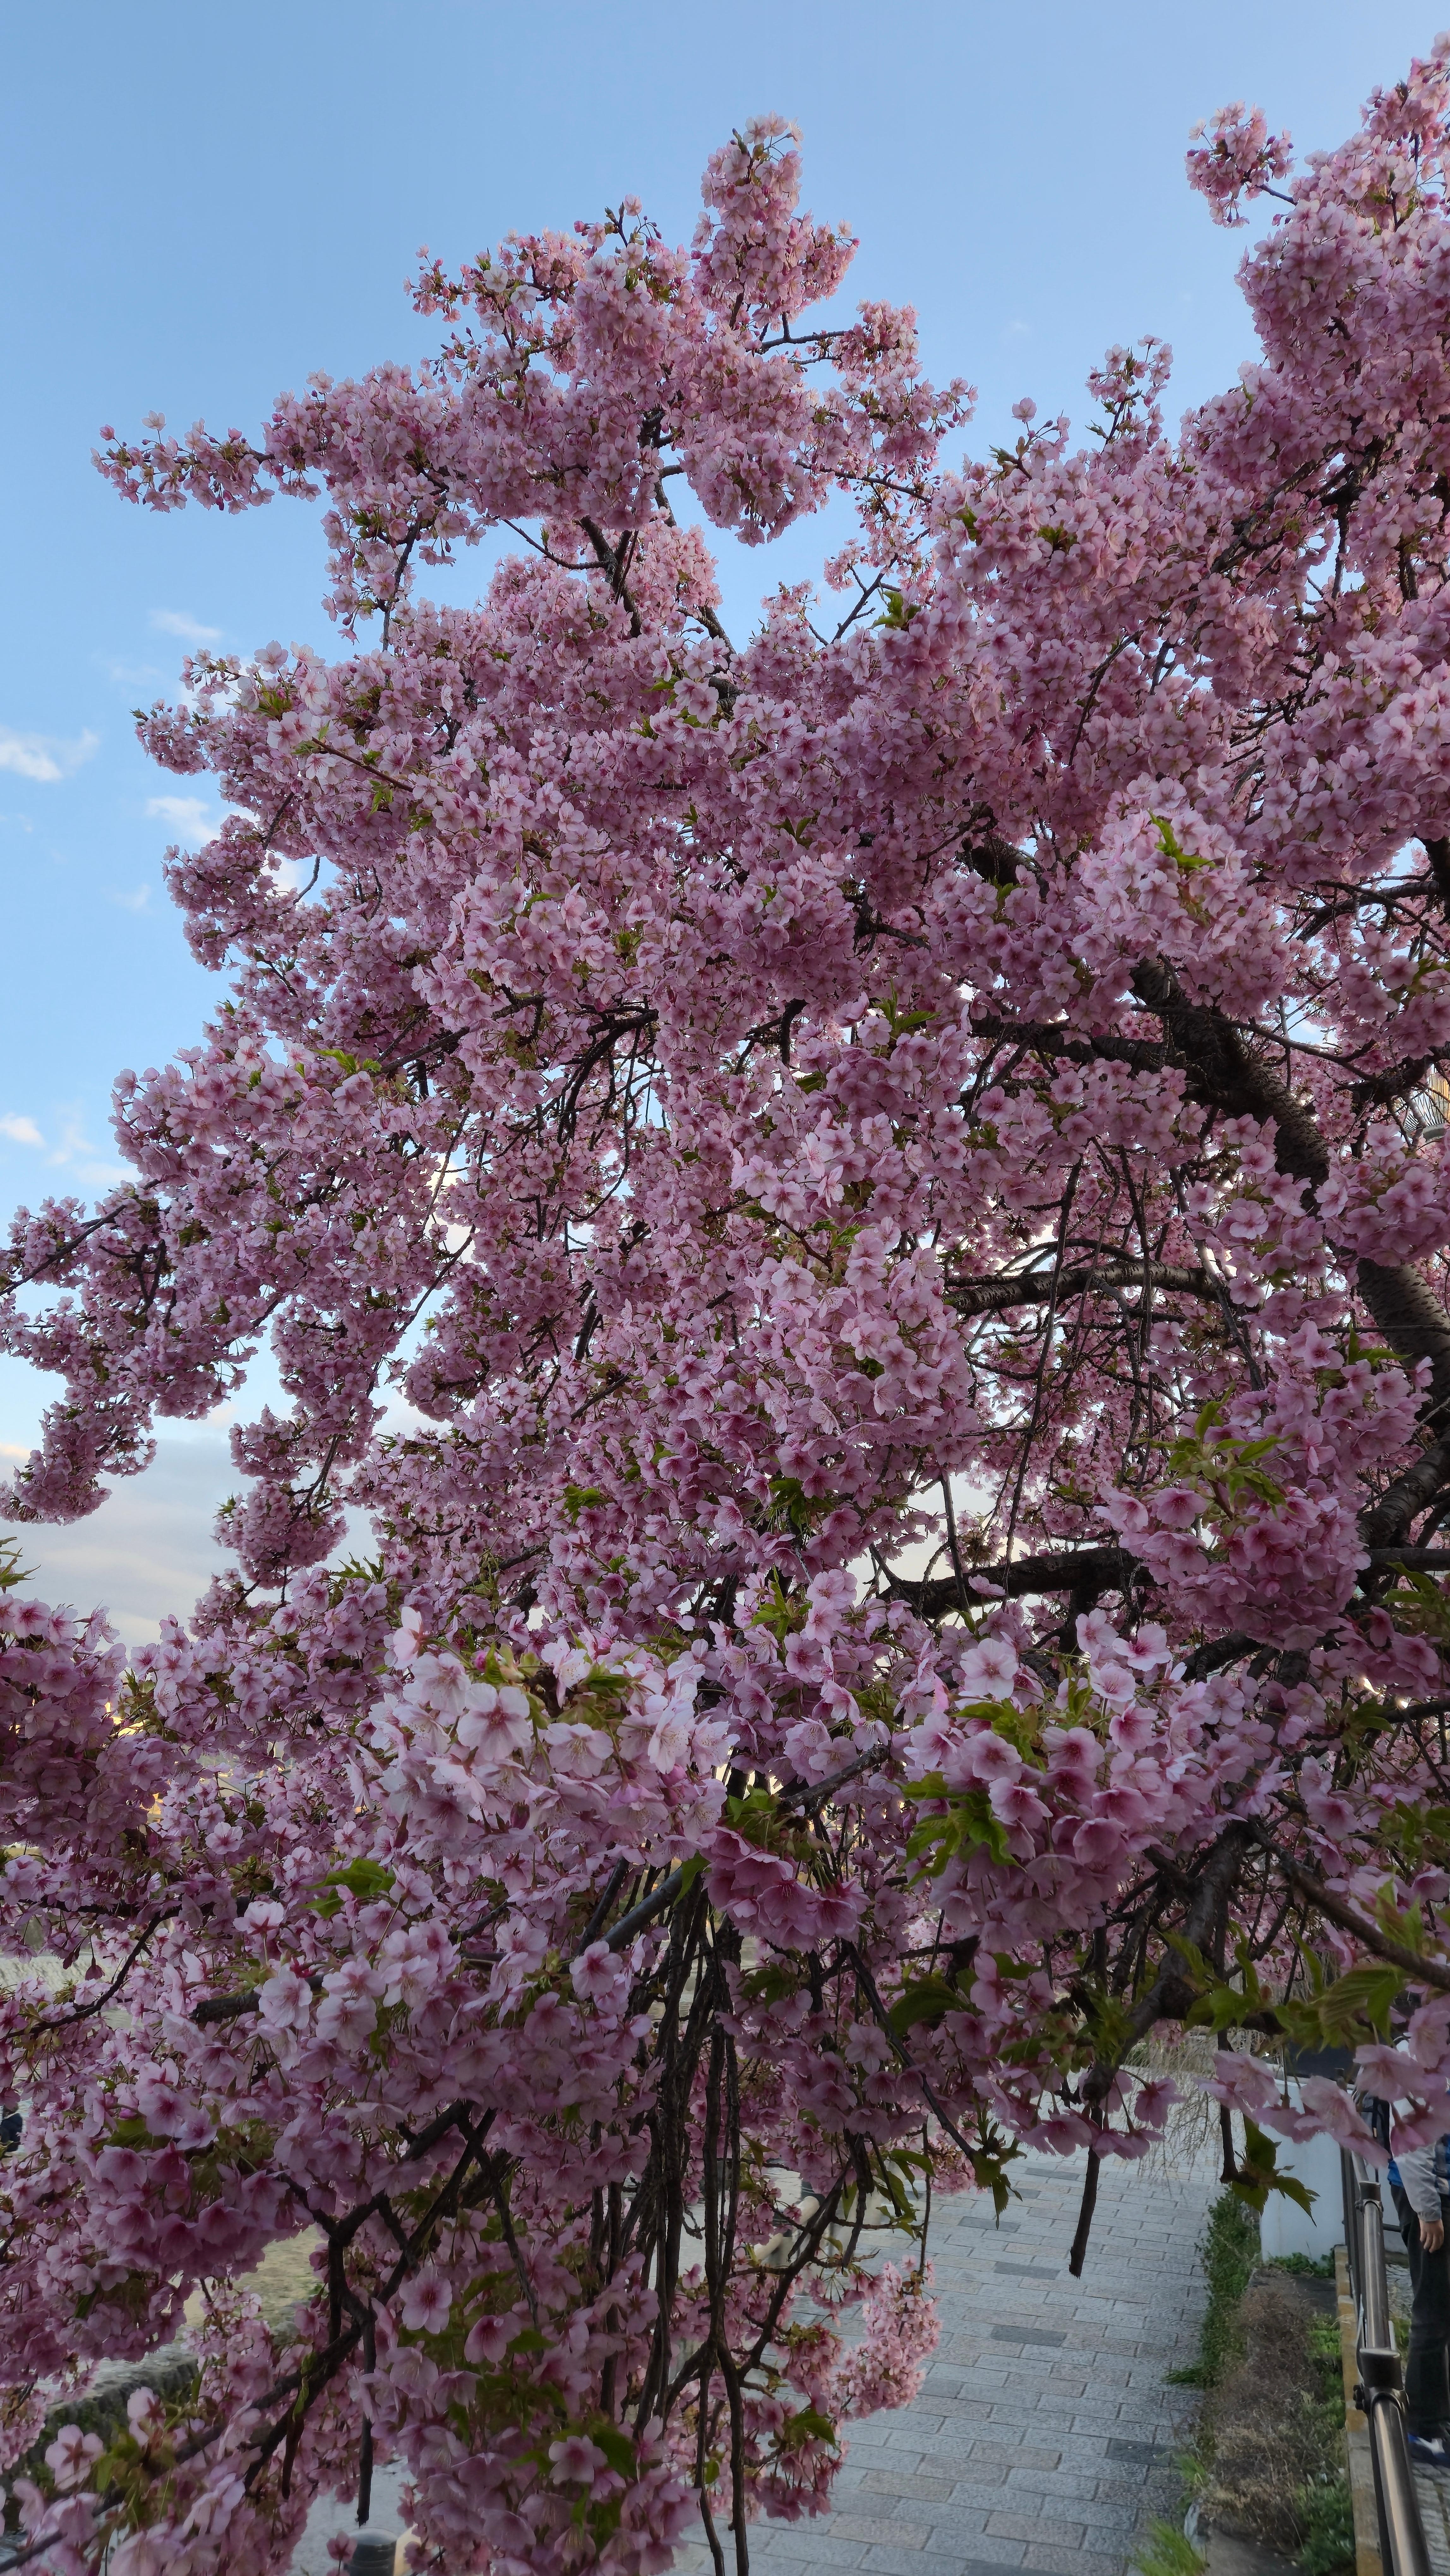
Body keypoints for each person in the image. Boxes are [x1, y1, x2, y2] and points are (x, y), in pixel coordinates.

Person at [1389, 2117, 1450, 2466]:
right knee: (1432, 2316)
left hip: (1436, 2198)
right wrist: (1428, 2211)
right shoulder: (1429, 2065)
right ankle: (1422, 2433)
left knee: (1441, 2314)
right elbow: (1413, 2140)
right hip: (1432, 2202)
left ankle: (1435, 2422)